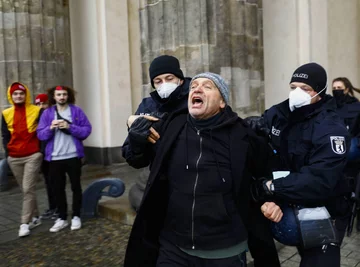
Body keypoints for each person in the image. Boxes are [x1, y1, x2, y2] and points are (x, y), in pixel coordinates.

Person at [124, 72, 283, 267]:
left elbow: (268, 173)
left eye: (207, 86)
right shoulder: (172, 126)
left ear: (222, 102)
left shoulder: (243, 136)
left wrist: (272, 200)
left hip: (224, 250)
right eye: (194, 86)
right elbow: (135, 158)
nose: (197, 89)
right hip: (173, 247)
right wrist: (135, 135)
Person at [248, 63, 351, 267]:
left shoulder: (330, 126)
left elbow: (319, 180)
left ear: (320, 92)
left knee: (319, 261)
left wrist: (271, 187)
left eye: (305, 89)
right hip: (285, 203)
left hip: (323, 210)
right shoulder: (279, 114)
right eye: (293, 86)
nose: (297, 93)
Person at [122, 55, 191, 210]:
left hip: (192, 179)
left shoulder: (194, 98)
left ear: (179, 78)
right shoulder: (147, 105)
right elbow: (134, 160)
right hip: (160, 179)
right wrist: (137, 140)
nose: (164, 84)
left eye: (169, 78)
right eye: (158, 81)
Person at [37, 86, 92, 232]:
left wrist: (70, 126)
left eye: (64, 94)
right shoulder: (47, 113)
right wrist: (50, 128)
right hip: (54, 158)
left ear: (68, 96)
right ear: (53, 97)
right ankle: (61, 218)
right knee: (58, 189)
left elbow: (86, 130)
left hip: (73, 156)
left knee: (76, 187)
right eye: (58, 95)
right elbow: (40, 135)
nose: (62, 97)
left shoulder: (76, 111)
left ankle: (76, 216)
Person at [1, 82, 43, 237]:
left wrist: (41, 152)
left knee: (27, 189)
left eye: (21, 93)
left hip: (33, 155)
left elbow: (42, 132)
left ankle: (24, 223)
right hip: (14, 157)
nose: (18, 96)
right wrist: (8, 154)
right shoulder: (6, 114)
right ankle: (36, 216)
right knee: (28, 190)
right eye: (15, 94)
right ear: (11, 96)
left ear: (26, 95)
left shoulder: (36, 110)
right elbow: (5, 136)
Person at [332, 77, 360, 232]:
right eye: (334, 88)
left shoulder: (356, 107)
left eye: (339, 88)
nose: (337, 90)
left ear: (347, 89)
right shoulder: (331, 106)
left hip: (351, 144)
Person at [35, 93, 59, 220]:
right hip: (42, 154)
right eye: (38, 104)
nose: (41, 106)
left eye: (43, 103)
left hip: (52, 154)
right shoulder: (37, 117)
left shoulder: (51, 116)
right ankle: (52, 207)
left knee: (55, 182)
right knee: (48, 183)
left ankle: (58, 208)